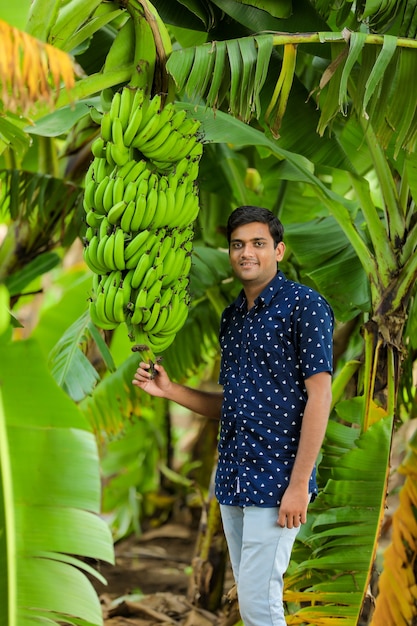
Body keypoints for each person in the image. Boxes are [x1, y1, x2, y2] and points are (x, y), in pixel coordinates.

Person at [132, 205, 334, 625]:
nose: (247, 253)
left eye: (258, 244)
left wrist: (298, 485)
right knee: (255, 601)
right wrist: (169, 390)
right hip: (233, 483)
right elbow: (232, 405)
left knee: (260, 607)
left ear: (278, 251)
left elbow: (320, 398)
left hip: (277, 482)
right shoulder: (232, 318)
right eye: (238, 245)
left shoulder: (305, 306)